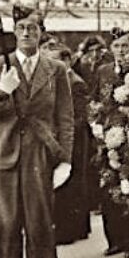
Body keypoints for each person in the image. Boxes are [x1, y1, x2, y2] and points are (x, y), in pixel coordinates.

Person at [0, 7, 73, 258]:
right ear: (14, 31)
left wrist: (65, 160)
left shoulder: (56, 69)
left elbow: (65, 118)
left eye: (33, 27)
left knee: (39, 227)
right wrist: (4, 89)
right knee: (5, 229)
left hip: (39, 154)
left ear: (42, 32)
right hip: (3, 155)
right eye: (21, 27)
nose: (27, 33)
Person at [92, 28, 129, 258]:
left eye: (125, 46)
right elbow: (93, 99)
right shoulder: (103, 70)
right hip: (107, 136)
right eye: (117, 46)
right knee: (108, 186)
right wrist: (94, 120)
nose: (121, 51)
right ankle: (113, 240)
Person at [48, 45, 91, 245]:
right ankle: (72, 227)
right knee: (64, 185)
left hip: (74, 141)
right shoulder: (58, 81)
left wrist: (59, 130)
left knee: (71, 184)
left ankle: (70, 230)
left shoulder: (75, 83)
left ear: (66, 61)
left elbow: (81, 118)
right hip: (61, 139)